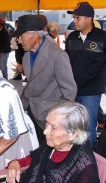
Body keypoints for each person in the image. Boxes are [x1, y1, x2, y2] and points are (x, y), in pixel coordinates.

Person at [6, 101, 100, 183]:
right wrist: (15, 163)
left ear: (72, 134)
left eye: (53, 127)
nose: (45, 131)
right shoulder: (50, 145)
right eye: (47, 123)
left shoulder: (84, 167)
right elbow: (33, 159)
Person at [65, 2, 106, 144]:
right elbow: (66, 62)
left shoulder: (103, 38)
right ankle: (75, 156)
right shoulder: (72, 37)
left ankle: (88, 159)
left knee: (88, 127)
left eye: (78, 18)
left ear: (89, 19)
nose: (74, 21)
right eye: (74, 17)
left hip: (92, 91)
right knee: (73, 126)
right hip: (72, 90)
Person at [16, 14, 77, 144]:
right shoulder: (27, 55)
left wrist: (55, 116)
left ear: (36, 34)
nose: (19, 41)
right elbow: (31, 84)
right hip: (30, 112)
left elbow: (70, 92)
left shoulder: (57, 55)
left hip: (48, 118)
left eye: (21, 36)